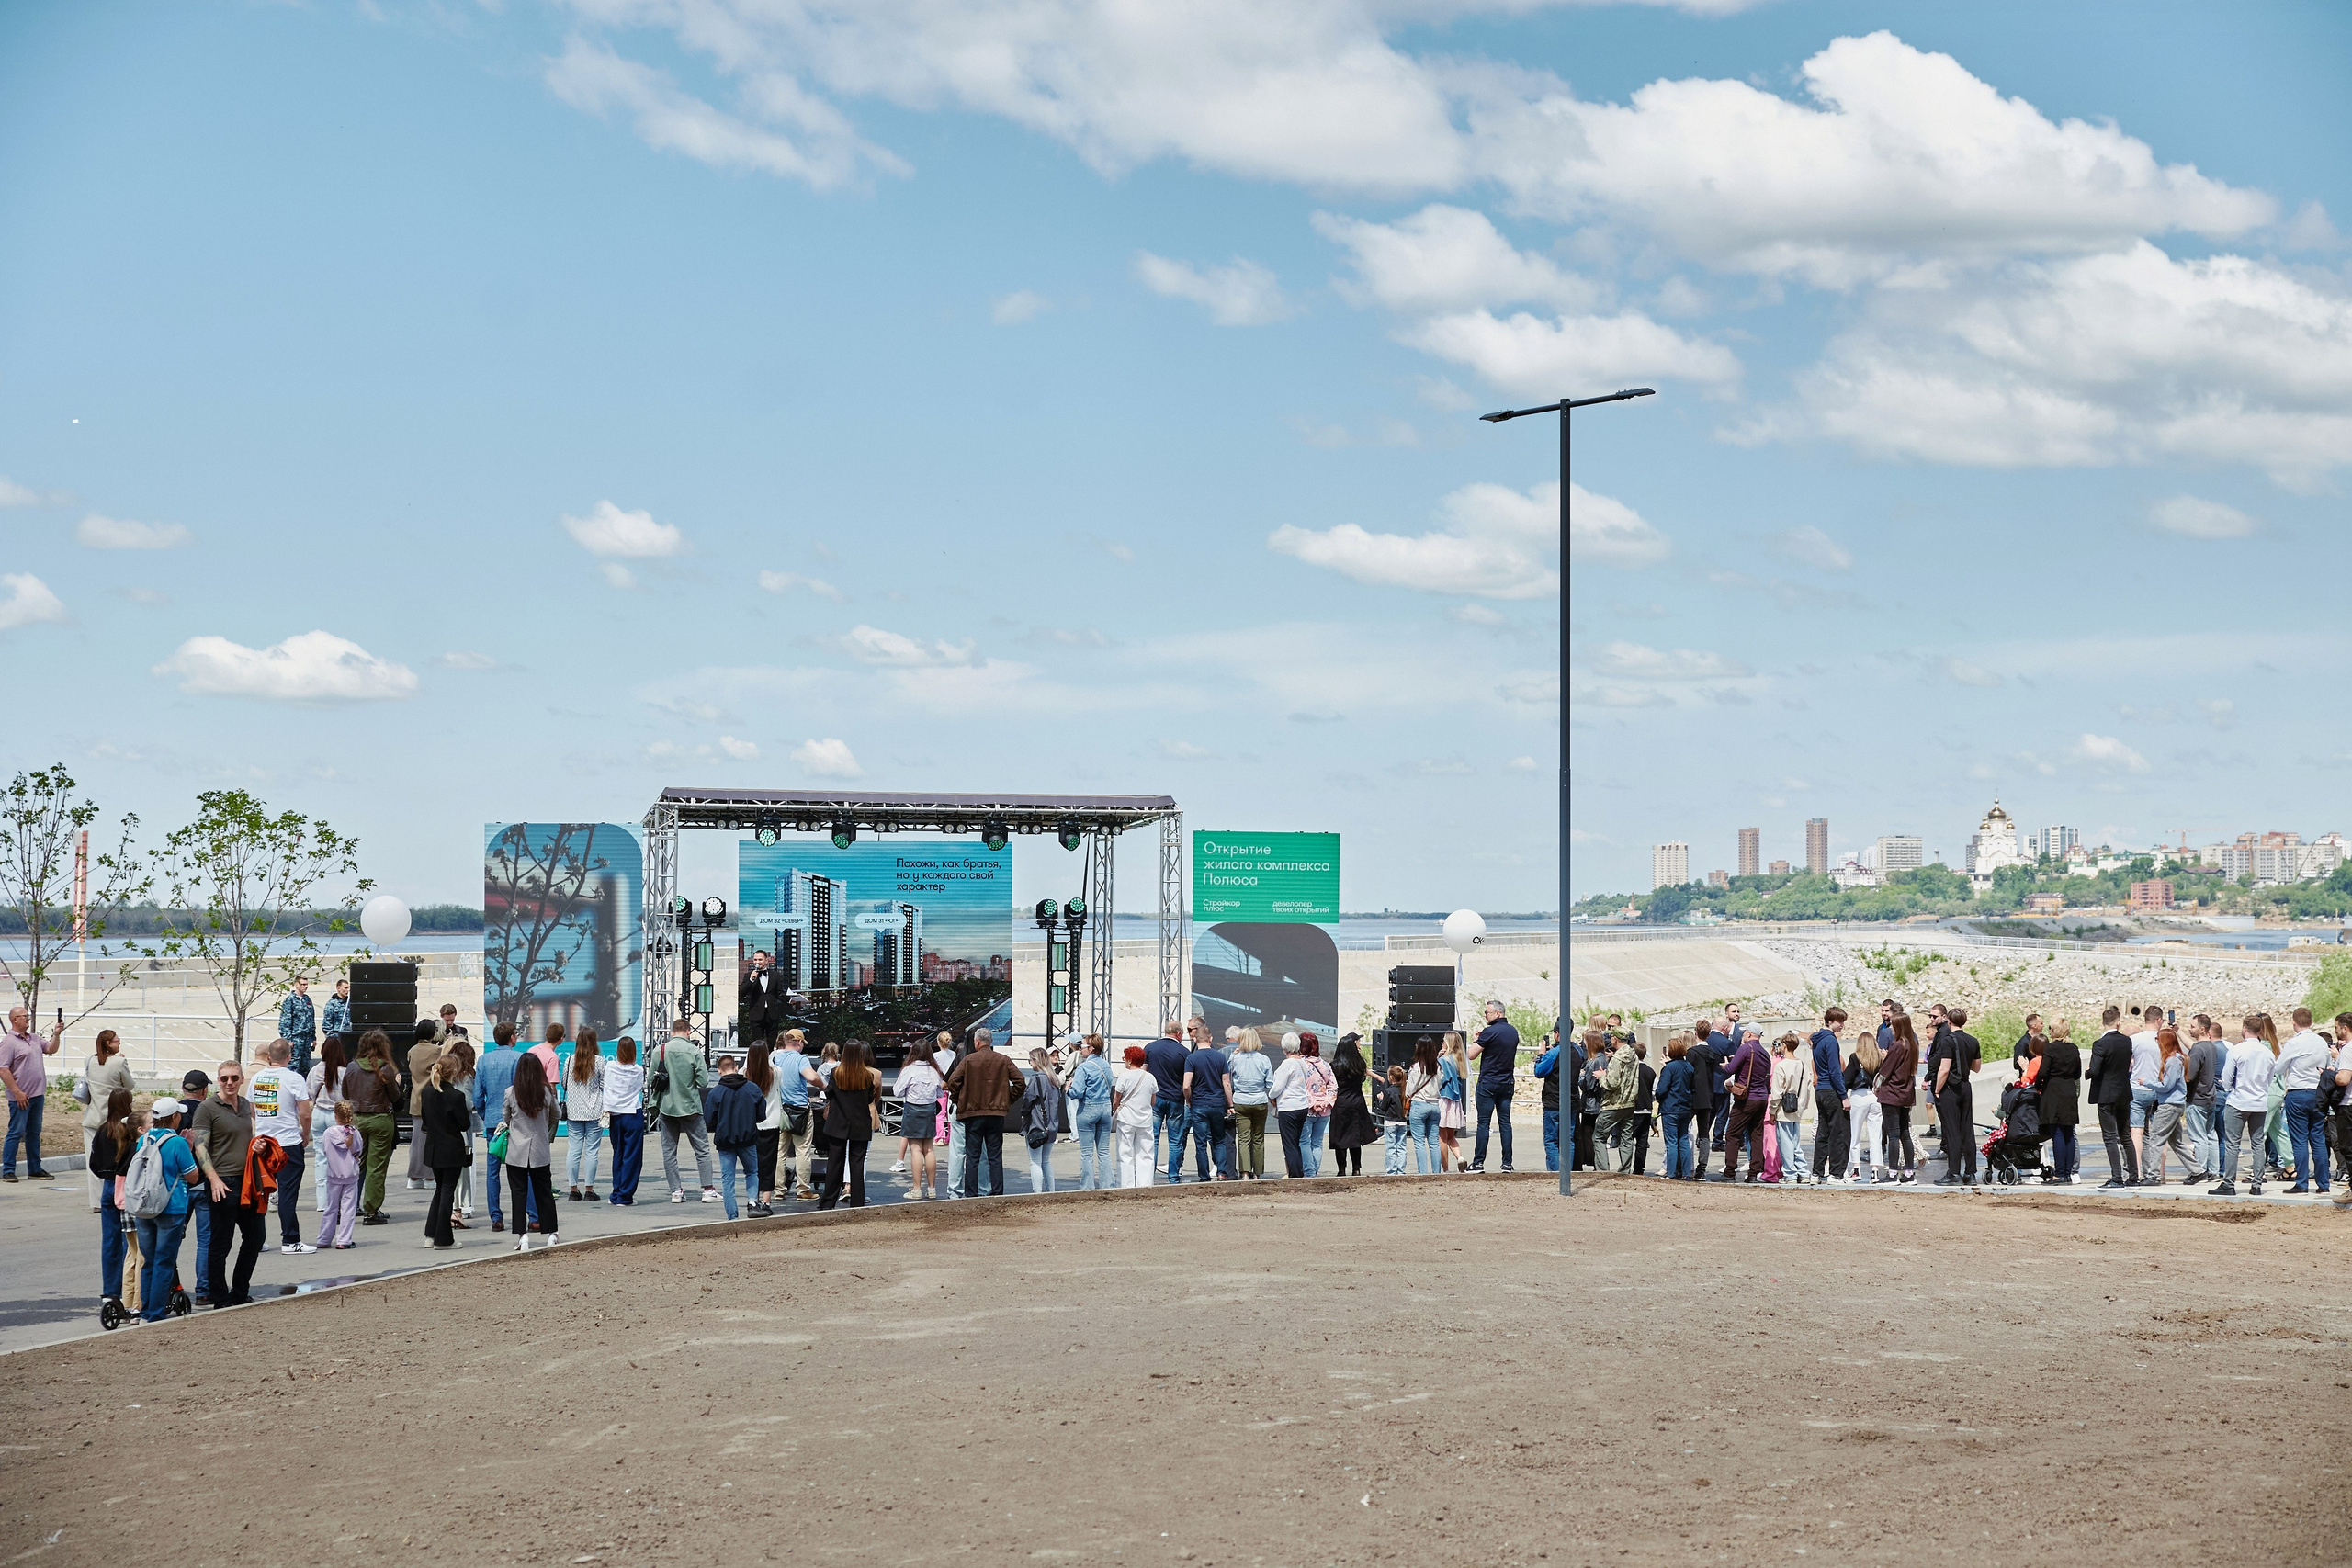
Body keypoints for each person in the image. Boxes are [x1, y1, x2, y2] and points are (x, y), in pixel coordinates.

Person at [189, 1060, 264, 1307]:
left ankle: (240, 1292)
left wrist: (259, 1146)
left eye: (234, 1078)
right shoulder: (207, 1108)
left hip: (248, 1182)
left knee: (255, 1238)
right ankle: (220, 1298)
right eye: (224, 1079)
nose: (229, 1083)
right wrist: (213, 1179)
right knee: (221, 1243)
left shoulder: (245, 1106)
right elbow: (200, 1146)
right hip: (223, 1182)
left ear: (242, 1079)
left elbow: (250, 1137)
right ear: (218, 1080)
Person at [132, 1096, 201, 1322]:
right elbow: (192, 1177)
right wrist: (189, 1148)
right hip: (171, 1209)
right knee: (164, 1261)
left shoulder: (143, 1141)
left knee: (149, 1261)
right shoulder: (177, 1143)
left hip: (145, 1207)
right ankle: (155, 1313)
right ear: (174, 1118)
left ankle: (146, 1310)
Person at [246, 1039, 316, 1252]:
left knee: (261, 1193)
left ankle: (256, 1240)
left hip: (263, 1142)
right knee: (287, 1193)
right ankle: (290, 1239)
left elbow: (252, 1110)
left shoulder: (257, 1078)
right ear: (289, 1057)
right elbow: (304, 1113)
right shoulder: (294, 1078)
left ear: (269, 1057)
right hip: (287, 1143)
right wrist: (305, 1134)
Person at [944, 1029, 1023, 1199]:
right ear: (991, 1042)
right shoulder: (1003, 1060)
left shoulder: (969, 1060)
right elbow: (1020, 1082)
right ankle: (996, 1192)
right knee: (994, 1155)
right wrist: (1008, 1100)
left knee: (973, 1155)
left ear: (977, 1042)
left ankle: (971, 1193)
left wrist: (959, 1100)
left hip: (973, 1114)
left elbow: (952, 1082)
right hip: (996, 1114)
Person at [493, 1050, 560, 1249]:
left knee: (518, 1193)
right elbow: (557, 1114)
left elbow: (506, 1118)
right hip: (540, 1149)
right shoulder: (545, 1092)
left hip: (517, 1151)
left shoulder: (511, 1092)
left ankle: (522, 1236)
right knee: (544, 1192)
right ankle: (551, 1233)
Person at [652, 1019, 719, 1205]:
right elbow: (704, 1081)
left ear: (673, 1031)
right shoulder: (693, 1051)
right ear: (688, 1032)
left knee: (669, 1151)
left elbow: (652, 1079)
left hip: (667, 1106)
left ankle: (676, 1191)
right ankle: (707, 1189)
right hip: (690, 1106)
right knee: (702, 1149)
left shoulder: (660, 1050)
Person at [2211, 1014, 2278, 1197]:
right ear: (2261, 1031)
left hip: (2239, 1100)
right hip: (2259, 1102)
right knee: (2258, 1144)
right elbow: (2270, 1078)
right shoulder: (2268, 1053)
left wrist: (2229, 1086)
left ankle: (2229, 1183)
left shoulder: (2237, 1050)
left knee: (2232, 1143)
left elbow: (2226, 1078)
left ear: (2244, 1029)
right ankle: (2257, 1184)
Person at [343, 1031, 401, 1224]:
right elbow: (395, 1096)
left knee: (356, 1165)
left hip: (357, 1119)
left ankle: (349, 1206)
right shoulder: (385, 1069)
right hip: (380, 1118)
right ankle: (371, 1210)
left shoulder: (351, 1067)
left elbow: (345, 1093)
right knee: (376, 1167)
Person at [78, 1029, 138, 1212]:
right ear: (108, 1044)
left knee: (94, 1158)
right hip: (116, 1119)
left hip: (93, 1117)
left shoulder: (89, 1060)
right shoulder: (119, 1062)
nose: (119, 1044)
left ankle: (97, 1202)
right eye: (116, 1041)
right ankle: (118, 1196)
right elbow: (129, 1085)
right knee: (119, 1157)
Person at [0, 1005, 62, 1181]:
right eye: (24, 1016)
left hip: (37, 1094)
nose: (27, 1019)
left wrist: (56, 1034)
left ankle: (35, 1168)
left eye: (28, 1016)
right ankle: (8, 1170)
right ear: (14, 1020)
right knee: (16, 1132)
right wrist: (17, 1092)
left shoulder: (34, 1038)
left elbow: (50, 1049)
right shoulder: (8, 1042)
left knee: (34, 1132)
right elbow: (3, 1069)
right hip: (20, 1097)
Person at [90, 1087, 138, 1313]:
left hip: (108, 1185)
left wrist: (105, 1174)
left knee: (109, 1240)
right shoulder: (128, 1130)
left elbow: (93, 1163)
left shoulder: (102, 1130)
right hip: (125, 1184)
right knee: (129, 1241)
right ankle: (128, 1289)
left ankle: (110, 1291)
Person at [2275, 1006, 2332, 1193]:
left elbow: (2279, 1068)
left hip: (2298, 1092)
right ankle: (2323, 1184)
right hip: (2318, 1093)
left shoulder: (2293, 1044)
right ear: (2311, 1022)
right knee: (2318, 1138)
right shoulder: (2321, 1042)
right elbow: (2328, 1065)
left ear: (2294, 1023)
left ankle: (2302, 1182)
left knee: (2299, 1139)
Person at [418, 1053, 471, 1249]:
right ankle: (443, 1238)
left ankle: (431, 1234)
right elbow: (464, 1124)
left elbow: (425, 1120)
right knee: (447, 1190)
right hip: (451, 1149)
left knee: (440, 1190)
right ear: (454, 1071)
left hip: (433, 1147)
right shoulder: (456, 1096)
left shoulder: (427, 1093)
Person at [701, 1054, 764, 1218]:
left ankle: (732, 1216)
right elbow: (761, 1114)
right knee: (752, 1172)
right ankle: (752, 1203)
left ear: (719, 1071)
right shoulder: (752, 1088)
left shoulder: (715, 1093)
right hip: (748, 1138)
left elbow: (708, 1120)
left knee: (727, 1179)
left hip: (725, 1141)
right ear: (736, 1068)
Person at [818, 1041, 880, 1209]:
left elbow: (829, 1093)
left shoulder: (837, 1072)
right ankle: (857, 1202)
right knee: (857, 1164)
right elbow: (869, 1099)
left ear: (843, 1054)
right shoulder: (867, 1076)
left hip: (838, 1123)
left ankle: (828, 1201)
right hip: (860, 1124)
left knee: (835, 1162)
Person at [2086, 1006, 2141, 1190]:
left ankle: (2117, 1177)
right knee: (2126, 1135)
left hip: (2106, 1093)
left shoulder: (2100, 1044)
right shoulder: (2127, 1042)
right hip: (2123, 1092)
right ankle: (2133, 1176)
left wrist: (2087, 1073)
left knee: (2110, 1136)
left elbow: (2095, 1070)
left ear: (2103, 1023)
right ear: (2118, 1023)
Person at [1928, 1007, 1981, 1186]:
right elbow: (1977, 1067)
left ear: (1949, 1021)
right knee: (1967, 1129)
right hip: (1966, 1086)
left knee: (1952, 1131)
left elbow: (1944, 1069)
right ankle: (1971, 1173)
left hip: (1950, 1088)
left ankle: (1953, 1172)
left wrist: (1937, 1090)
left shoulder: (1948, 1041)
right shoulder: (1973, 1041)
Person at [1712, 1027, 1770, 1183]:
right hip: (1762, 1097)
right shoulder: (1764, 1053)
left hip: (1746, 1098)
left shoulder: (1745, 1049)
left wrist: (1726, 1065)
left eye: (1745, 1032)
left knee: (1732, 1134)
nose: (1743, 1034)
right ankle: (1754, 1173)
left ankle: (1729, 1171)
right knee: (1756, 1135)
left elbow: (1731, 1069)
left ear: (1750, 1033)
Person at [1467, 1001, 1521, 1173]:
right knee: (1505, 1123)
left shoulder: (1489, 1032)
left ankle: (1478, 1162)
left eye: (1487, 1012)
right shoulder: (1513, 1031)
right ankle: (1507, 1163)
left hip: (1489, 1082)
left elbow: (1471, 1054)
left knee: (1483, 1123)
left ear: (1498, 1013)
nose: (1485, 1015)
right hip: (1506, 1082)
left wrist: (1477, 1040)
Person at [1176, 1025, 1230, 1183]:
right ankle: (1222, 1172)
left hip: (1199, 1104)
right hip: (1217, 1104)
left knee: (1200, 1143)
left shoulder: (1192, 1059)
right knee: (1219, 1139)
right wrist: (1230, 1104)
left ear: (1195, 1039)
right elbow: (1226, 1083)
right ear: (1211, 1039)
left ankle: (1204, 1176)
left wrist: (1189, 1099)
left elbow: (1186, 1085)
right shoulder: (1220, 1057)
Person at [175, 1071, 213, 1296]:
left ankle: (172, 1286)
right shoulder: (207, 1111)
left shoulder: (173, 1113)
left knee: (172, 1239)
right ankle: (204, 1290)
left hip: (178, 1186)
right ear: (204, 1090)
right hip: (202, 1181)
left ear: (183, 1088)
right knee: (205, 1240)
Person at [2140, 1027, 2192, 1185]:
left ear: (2164, 1042)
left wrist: (2147, 1082)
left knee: (2156, 1138)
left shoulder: (2173, 1062)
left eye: (2158, 1039)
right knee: (2175, 1142)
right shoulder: (2176, 1059)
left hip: (2169, 1105)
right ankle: (2198, 1171)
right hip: (2174, 1104)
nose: (2156, 1042)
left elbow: (2167, 1086)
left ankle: (2152, 1175)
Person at [894, 1043, 944, 1200]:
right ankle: (932, 1189)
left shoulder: (909, 1070)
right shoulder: (934, 1071)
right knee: (929, 1149)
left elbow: (897, 1092)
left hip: (913, 1109)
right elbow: (939, 1092)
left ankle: (916, 1189)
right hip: (929, 1109)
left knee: (915, 1150)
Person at [601, 1036, 648, 1205]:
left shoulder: (610, 1067)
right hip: (632, 1114)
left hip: (615, 1116)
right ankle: (625, 1195)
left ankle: (616, 1192)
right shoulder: (638, 1070)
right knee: (632, 1157)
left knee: (618, 1154)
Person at [2038, 1019, 2084, 1185]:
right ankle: (2068, 1173)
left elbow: (2043, 1072)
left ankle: (2059, 1174)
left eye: (2051, 1028)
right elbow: (2077, 1072)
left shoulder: (2051, 1048)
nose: (2049, 1031)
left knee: (2057, 1133)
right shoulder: (2073, 1049)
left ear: (2055, 1031)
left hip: (2054, 1091)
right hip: (2069, 1091)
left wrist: (2038, 1086)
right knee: (2068, 1132)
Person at [1874, 1014, 1920, 1183]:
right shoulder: (1912, 1045)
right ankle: (1909, 1173)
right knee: (1904, 1133)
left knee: (1893, 1135)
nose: (1891, 1030)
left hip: (1892, 1093)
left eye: (1893, 1026)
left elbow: (1886, 1070)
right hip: (1906, 1093)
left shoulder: (1897, 1046)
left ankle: (1892, 1172)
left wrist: (1876, 1086)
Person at [1066, 1035, 1115, 1190]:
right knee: (1104, 1152)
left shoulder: (1083, 1067)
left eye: (1083, 1045)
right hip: (1105, 1108)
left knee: (1087, 1153)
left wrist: (1068, 1089)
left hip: (1088, 1108)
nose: (1080, 1048)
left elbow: (1078, 1092)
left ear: (1091, 1048)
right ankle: (1108, 1185)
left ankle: (1087, 1187)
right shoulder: (1106, 1065)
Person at [561, 1031, 605, 1201]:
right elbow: (604, 1085)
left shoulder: (570, 1060)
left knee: (574, 1150)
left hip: (574, 1111)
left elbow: (564, 1084)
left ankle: (573, 1189)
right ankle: (589, 1189)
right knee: (592, 1151)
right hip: (595, 1111)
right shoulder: (600, 1061)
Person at [1145, 1021, 1191, 1186]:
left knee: (1153, 1138)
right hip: (1176, 1100)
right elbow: (1188, 1079)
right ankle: (1173, 1177)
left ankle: (1149, 1175)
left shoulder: (1150, 1048)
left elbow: (1143, 1073)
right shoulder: (1184, 1052)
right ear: (1178, 1034)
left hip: (1155, 1098)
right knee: (1176, 1140)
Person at [2182, 1015, 2226, 1184]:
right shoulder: (2211, 1047)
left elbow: (2190, 1076)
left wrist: (2183, 1066)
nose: (2190, 1029)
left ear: (2202, 1029)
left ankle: (2199, 1171)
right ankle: (2213, 1171)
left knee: (2199, 1137)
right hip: (2211, 1096)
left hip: (2197, 1098)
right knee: (2211, 1135)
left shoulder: (2197, 1050)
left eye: (2192, 1026)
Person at [306, 1037, 347, 1216]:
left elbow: (308, 1093)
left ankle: (322, 1202)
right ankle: (338, 1199)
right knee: (339, 1159)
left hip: (318, 1115)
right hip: (336, 1117)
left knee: (321, 1158)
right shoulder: (344, 1072)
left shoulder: (315, 1070)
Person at [1225, 1028, 1273, 1180]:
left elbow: (1228, 1079)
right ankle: (1257, 1173)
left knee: (1244, 1139)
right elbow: (1270, 1083)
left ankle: (1245, 1172)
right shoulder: (1264, 1059)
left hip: (1240, 1101)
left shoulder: (1234, 1058)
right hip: (1259, 1101)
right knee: (1258, 1138)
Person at [774, 1029, 816, 1201]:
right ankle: (803, 1190)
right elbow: (811, 1077)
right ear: (798, 1042)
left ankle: (778, 1190)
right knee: (803, 1150)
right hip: (800, 1111)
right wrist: (823, 1084)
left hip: (780, 1110)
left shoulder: (775, 1057)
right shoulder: (801, 1059)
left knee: (779, 1151)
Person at [1329, 1035, 1377, 1177]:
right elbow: (1362, 1078)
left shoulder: (1334, 1066)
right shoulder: (1359, 1064)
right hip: (1357, 1102)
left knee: (1340, 1138)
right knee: (1355, 1137)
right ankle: (1356, 1168)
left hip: (1341, 1103)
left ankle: (1341, 1169)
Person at [1810, 1009, 1849, 1184]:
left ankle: (1816, 1173)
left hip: (1820, 1091)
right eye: (1840, 1021)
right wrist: (1843, 1095)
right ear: (1831, 1021)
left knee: (1822, 1133)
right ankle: (1835, 1173)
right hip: (1832, 1090)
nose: (1842, 1024)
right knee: (1838, 1133)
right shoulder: (1830, 1041)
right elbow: (1835, 1070)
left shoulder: (1817, 1040)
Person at [403, 1019, 443, 1190]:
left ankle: (414, 1176)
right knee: (432, 1140)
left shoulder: (411, 1051)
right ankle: (429, 1176)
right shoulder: (437, 1050)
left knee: (417, 1141)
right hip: (432, 1099)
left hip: (415, 1098)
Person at [1111, 1045, 1158, 1188]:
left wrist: (1116, 1108)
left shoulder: (1124, 1077)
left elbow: (1116, 1100)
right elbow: (1153, 1101)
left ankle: (1126, 1184)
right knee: (1146, 1153)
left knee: (1125, 1153)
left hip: (1126, 1119)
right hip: (1145, 1119)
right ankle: (1146, 1184)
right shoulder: (1150, 1077)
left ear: (1130, 1060)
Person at [1652, 1032, 1696, 1179]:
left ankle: (1671, 1172)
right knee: (1683, 1139)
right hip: (1685, 1107)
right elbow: (1693, 1087)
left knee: (1671, 1142)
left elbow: (1661, 1089)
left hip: (1671, 1108)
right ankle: (1685, 1172)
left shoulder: (1669, 1068)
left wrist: (1659, 1098)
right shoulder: (1689, 1066)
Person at [318, 1100, 362, 1249]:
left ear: (335, 1115)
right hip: (350, 1173)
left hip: (333, 1173)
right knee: (348, 1208)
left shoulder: (328, 1133)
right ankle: (344, 1240)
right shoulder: (354, 1133)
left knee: (331, 1207)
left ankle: (324, 1238)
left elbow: (324, 1150)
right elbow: (358, 1150)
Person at [1770, 1032, 1812, 1185]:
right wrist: (1802, 1107)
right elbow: (1807, 1089)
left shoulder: (1781, 1066)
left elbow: (1776, 1093)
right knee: (1795, 1142)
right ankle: (1803, 1172)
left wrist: (1772, 1111)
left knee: (1785, 1143)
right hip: (1797, 1108)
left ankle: (1790, 1174)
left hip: (1783, 1110)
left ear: (1784, 1046)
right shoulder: (1802, 1065)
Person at [1595, 1032, 1640, 1172]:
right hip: (1629, 1103)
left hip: (1613, 1104)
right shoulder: (1634, 1056)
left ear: (1615, 1039)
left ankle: (1603, 1171)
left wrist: (1602, 1076)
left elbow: (1612, 1083)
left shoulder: (1617, 1058)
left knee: (1599, 1137)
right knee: (1626, 1138)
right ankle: (1625, 1171)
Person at [1842, 1028, 1883, 1184]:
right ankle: (1875, 1172)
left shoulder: (1855, 1057)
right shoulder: (1879, 1058)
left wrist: (1843, 1097)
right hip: (1875, 1096)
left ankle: (1856, 1169)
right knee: (1875, 1135)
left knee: (1855, 1134)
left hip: (1859, 1095)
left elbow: (1847, 1080)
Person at [1685, 1020, 1724, 1181]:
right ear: (1709, 1034)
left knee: (1684, 1131)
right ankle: (1702, 1169)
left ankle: (1686, 1165)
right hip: (1708, 1095)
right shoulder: (1713, 1053)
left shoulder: (1692, 1053)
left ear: (1695, 1033)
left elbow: (1688, 1073)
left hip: (1693, 1095)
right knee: (1704, 1134)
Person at [2127, 1000, 2163, 1168]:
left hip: (2138, 1088)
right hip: (2160, 1088)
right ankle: (2159, 1172)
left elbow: (2127, 1064)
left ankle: (2138, 1171)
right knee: (2159, 1134)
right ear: (2159, 1020)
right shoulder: (2165, 1039)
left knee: (2137, 1131)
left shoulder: (2135, 1039)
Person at [1295, 1033, 1337, 1176]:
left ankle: (1309, 1172)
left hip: (1307, 1110)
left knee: (1304, 1141)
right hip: (1324, 1111)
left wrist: (1312, 1103)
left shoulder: (1300, 1064)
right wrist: (1326, 1102)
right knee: (1317, 1142)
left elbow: (1300, 1087)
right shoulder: (1325, 1065)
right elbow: (1333, 1086)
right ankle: (1315, 1172)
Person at [1403, 1037, 1443, 1174]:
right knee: (1434, 1142)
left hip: (1419, 1104)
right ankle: (1437, 1172)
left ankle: (1423, 1173)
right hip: (1435, 1105)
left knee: (1419, 1142)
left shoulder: (1416, 1067)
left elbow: (1410, 1090)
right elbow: (1441, 1084)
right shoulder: (1438, 1067)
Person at [737, 946, 786, 1051]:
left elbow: (780, 993)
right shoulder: (748, 975)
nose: (757, 962)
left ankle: (770, 1063)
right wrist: (751, 979)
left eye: (760, 959)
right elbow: (741, 992)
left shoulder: (775, 975)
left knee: (772, 1042)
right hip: (756, 1014)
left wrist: (791, 1000)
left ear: (766, 961)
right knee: (757, 1043)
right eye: (755, 960)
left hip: (772, 1014)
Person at [1532, 1026, 1565, 1173]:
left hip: (1553, 1101)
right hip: (1571, 1101)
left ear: (1557, 1034)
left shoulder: (1553, 1053)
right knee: (1567, 1140)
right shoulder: (1576, 1051)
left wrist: (1541, 1055)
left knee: (1551, 1140)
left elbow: (1539, 1071)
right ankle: (1567, 1172)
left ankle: (1555, 1173)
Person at [1436, 1032, 1468, 1173]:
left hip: (1444, 1099)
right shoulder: (1459, 1060)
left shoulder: (1443, 1060)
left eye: (1443, 1041)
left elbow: (1438, 1078)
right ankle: (1460, 1157)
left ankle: (1445, 1168)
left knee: (1441, 1137)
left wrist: (1437, 1058)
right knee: (1451, 1136)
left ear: (1447, 1043)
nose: (1441, 1043)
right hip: (1456, 1101)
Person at [1371, 1064, 1410, 1175]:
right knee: (1401, 1147)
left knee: (1391, 1147)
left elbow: (1383, 1107)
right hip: (1402, 1121)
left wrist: (1380, 1099)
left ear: (1391, 1077)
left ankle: (1391, 1171)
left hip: (1390, 1122)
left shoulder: (1388, 1091)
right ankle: (1401, 1170)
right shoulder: (1404, 1091)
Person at [277, 977, 318, 1080]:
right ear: (296, 984)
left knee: (305, 1066)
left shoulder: (307, 1000)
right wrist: (288, 1040)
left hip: (307, 1039)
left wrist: (313, 1037)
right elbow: (285, 1021)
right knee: (293, 1065)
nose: (306, 986)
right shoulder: (290, 1000)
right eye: (303, 984)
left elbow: (311, 1019)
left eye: (306, 984)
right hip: (296, 1039)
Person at [319, 976, 351, 1064]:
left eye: (348, 988)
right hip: (337, 1039)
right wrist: (334, 1040)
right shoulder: (331, 1004)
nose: (347, 990)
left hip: (348, 1039)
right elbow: (326, 1025)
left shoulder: (350, 1003)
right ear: (338, 988)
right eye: (345, 988)